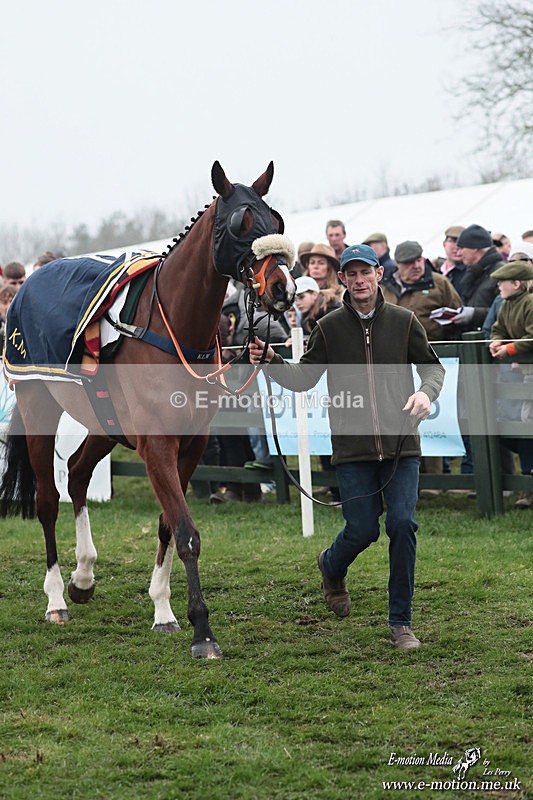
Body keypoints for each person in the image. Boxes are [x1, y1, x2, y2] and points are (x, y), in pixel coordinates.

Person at [249, 244, 445, 649]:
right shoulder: (328, 327)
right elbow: (304, 379)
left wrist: (427, 393)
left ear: (378, 275)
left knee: (402, 525)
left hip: (401, 445)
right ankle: (331, 565)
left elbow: (432, 367)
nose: (359, 280)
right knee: (362, 530)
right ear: (343, 280)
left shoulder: (405, 322)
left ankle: (400, 622)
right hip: (352, 450)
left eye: (365, 272)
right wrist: (271, 360)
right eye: (351, 274)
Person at [381, 240, 462, 495]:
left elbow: (458, 313)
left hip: (434, 359)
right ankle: (401, 480)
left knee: (435, 418)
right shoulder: (385, 289)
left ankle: (435, 482)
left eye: (418, 260)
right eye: (409, 263)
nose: (416, 266)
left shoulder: (439, 283)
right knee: (401, 417)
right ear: (398, 266)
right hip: (394, 363)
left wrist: (450, 323)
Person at [489, 260, 533, 509]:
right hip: (521, 375)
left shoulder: (530, 303)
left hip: (528, 374)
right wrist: (496, 342)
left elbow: (532, 336)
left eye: (502, 282)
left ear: (516, 284)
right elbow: (498, 328)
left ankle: (528, 485)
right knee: (519, 426)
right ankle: (527, 484)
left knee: (527, 424)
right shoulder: (507, 305)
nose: (498, 286)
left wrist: (510, 349)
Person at [453, 224, 503, 330]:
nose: (459, 253)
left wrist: (474, 314)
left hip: (492, 341)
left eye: (462, 248)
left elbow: (506, 312)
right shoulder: (475, 272)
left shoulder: (501, 273)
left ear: (475, 247)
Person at [438, 225, 467, 299]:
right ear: (444, 244)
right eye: (453, 241)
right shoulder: (435, 271)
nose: (457, 247)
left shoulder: (470, 273)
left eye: (461, 242)